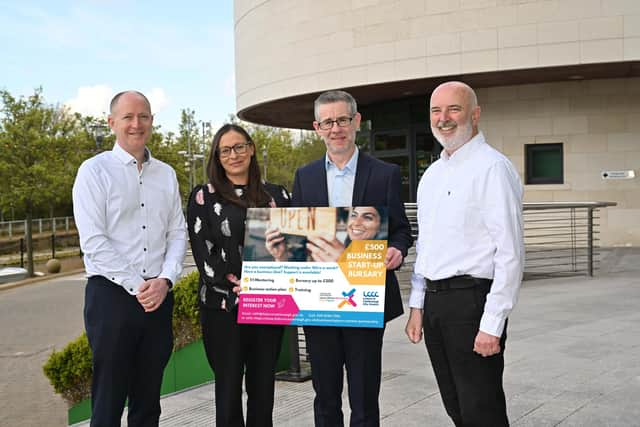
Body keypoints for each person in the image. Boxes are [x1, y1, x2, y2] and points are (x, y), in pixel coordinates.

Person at [404, 81, 524, 427]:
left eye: (453, 109)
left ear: (475, 114)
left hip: (472, 303)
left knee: (481, 408)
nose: (443, 119)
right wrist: (417, 306)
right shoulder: (432, 175)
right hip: (436, 305)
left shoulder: (493, 168)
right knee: (455, 404)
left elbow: (510, 252)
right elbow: (427, 245)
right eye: (436, 111)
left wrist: (492, 324)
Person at [291, 90, 413, 426]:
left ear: (356, 122)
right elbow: (297, 240)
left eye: (342, 120)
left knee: (364, 398)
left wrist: (397, 250)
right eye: (328, 122)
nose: (336, 128)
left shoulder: (384, 173)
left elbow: (402, 231)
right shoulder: (305, 177)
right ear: (317, 128)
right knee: (325, 398)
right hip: (319, 304)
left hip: (366, 301)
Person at [72, 90, 187, 426]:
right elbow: (94, 242)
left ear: (152, 121)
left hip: (159, 298)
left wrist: (165, 280)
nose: (137, 124)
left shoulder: (166, 174)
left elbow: (177, 233)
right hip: (112, 299)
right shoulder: (94, 172)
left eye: (144, 116)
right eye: (128, 117)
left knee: (149, 401)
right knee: (107, 402)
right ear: (112, 123)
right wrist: (141, 286)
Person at [186, 124, 290, 427]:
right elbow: (203, 253)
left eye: (240, 147)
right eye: (226, 150)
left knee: (263, 389)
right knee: (228, 389)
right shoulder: (203, 197)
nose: (234, 155)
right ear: (217, 157)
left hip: (268, 306)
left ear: (252, 148)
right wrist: (240, 287)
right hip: (222, 308)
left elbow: (292, 246)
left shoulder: (278, 195)